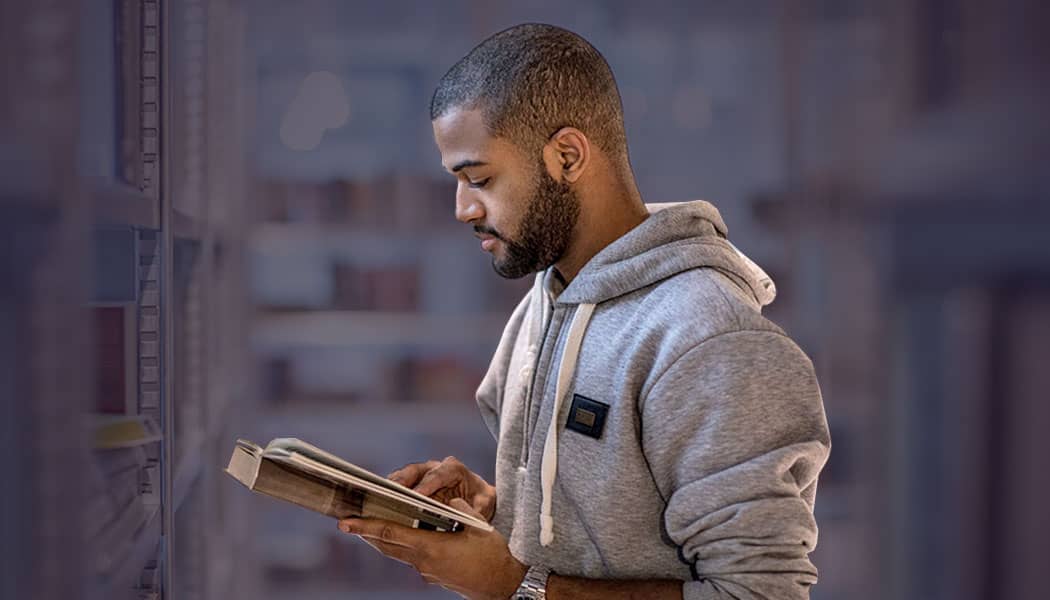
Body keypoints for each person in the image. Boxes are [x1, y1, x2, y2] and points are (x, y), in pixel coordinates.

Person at [337, 23, 830, 600]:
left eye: (480, 179)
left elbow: (761, 593)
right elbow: (585, 533)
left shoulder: (712, 340)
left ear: (567, 156)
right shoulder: (541, 307)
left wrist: (514, 585)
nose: (463, 208)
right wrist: (492, 515)